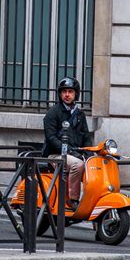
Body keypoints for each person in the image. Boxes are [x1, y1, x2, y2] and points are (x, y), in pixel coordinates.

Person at [42, 77, 92, 211]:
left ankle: (91, 201)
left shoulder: (80, 114)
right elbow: (51, 138)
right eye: (64, 92)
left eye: (70, 91)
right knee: (78, 164)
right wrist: (69, 151)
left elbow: (86, 136)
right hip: (55, 155)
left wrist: (89, 154)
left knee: (93, 165)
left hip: (75, 153)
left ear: (76, 94)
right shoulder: (53, 113)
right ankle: (72, 199)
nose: (67, 94)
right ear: (60, 94)